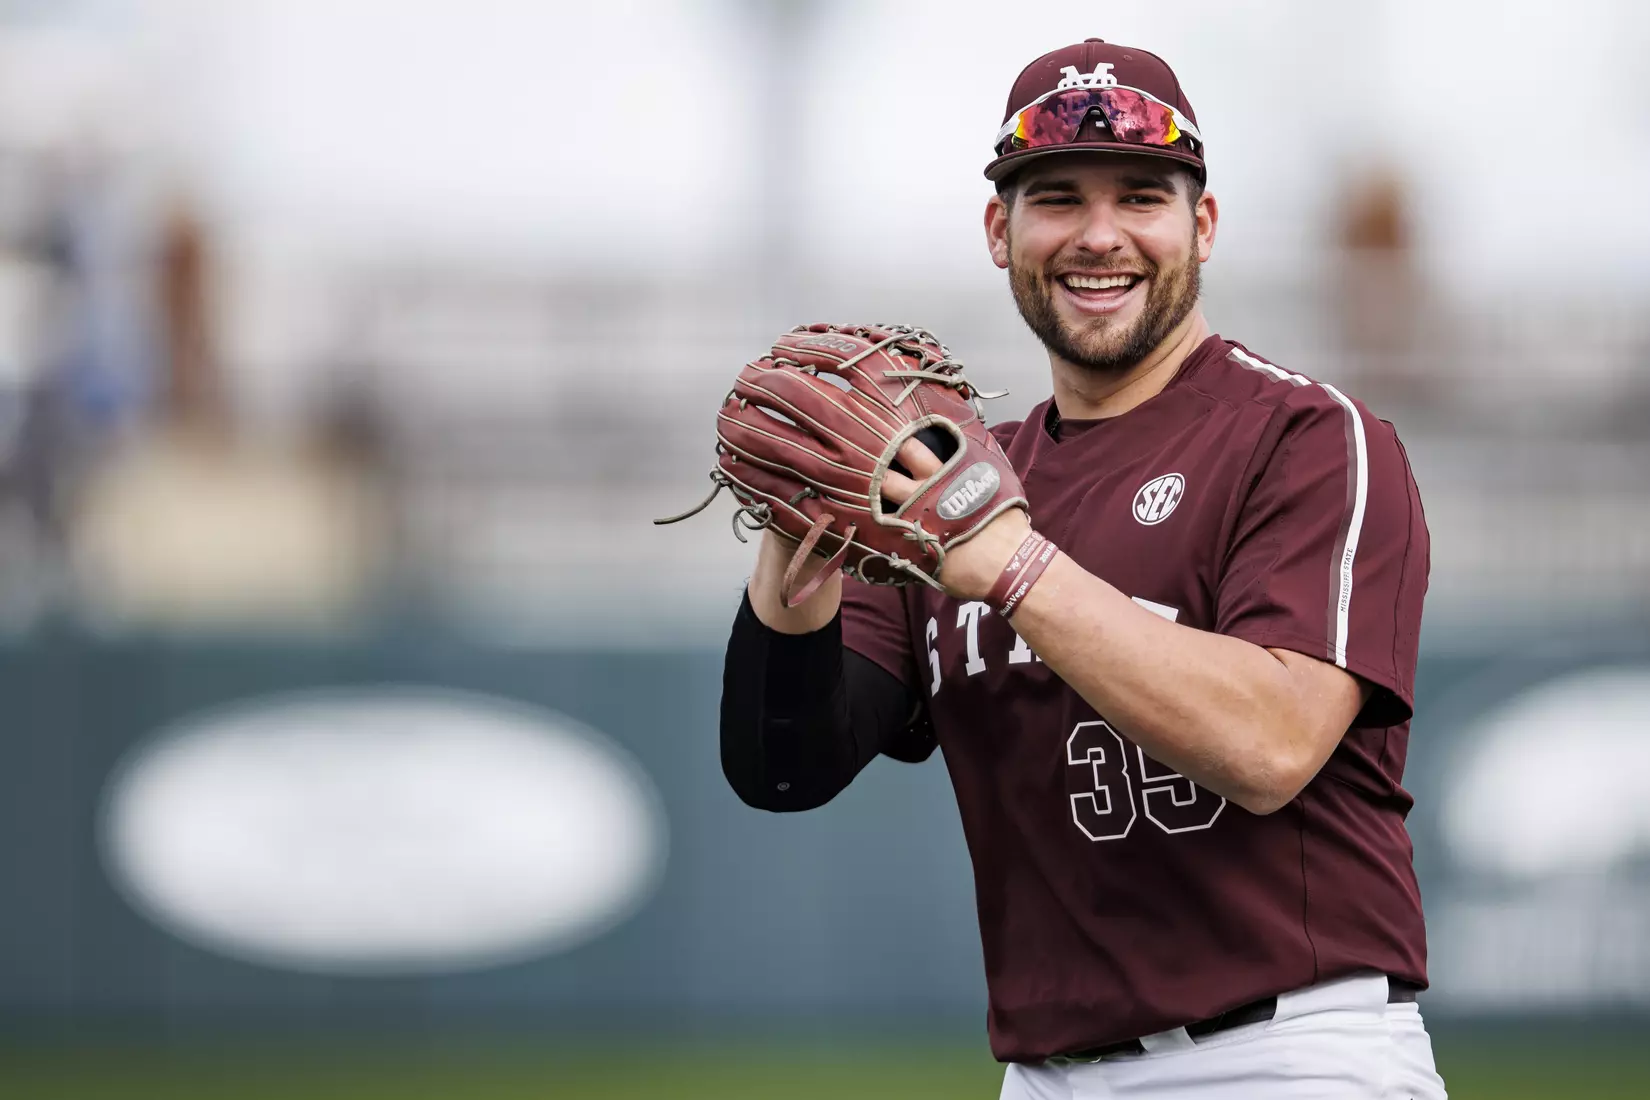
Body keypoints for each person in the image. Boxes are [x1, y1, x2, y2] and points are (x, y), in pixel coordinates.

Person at [720, 38, 1445, 1099]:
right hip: (1049, 1074)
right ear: (998, 231)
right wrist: (797, 543)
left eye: (1141, 196)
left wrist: (1011, 561)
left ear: (1201, 225)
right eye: (1056, 198)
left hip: (1289, 1056)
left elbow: (1271, 741)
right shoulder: (953, 478)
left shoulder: (1305, 439)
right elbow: (783, 765)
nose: (1099, 235)